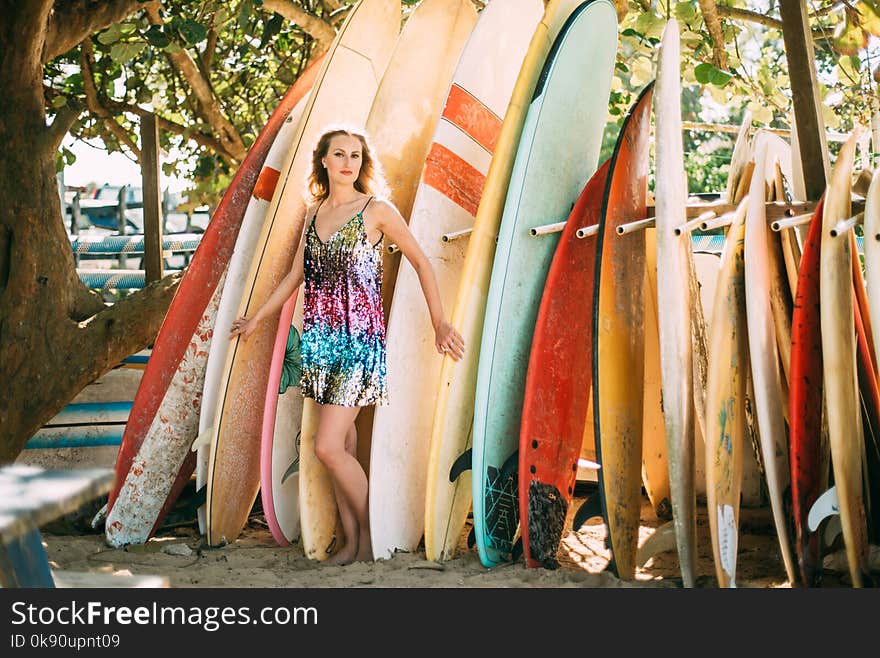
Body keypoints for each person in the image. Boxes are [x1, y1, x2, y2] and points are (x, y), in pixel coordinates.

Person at [229, 126, 465, 565]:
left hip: (358, 343)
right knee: (345, 448)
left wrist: (439, 323)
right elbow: (296, 276)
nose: (348, 163)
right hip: (321, 342)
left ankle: (372, 529)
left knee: (327, 447)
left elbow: (420, 261)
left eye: (355, 156)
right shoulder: (315, 213)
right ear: (324, 160)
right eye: (339, 154)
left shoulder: (376, 210)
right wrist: (257, 318)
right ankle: (353, 544)